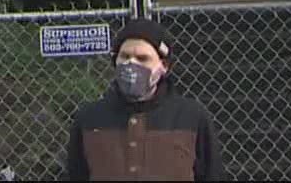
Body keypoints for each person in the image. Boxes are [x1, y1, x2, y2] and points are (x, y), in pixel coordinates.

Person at [64, 18, 225, 181]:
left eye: (143, 59)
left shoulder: (192, 117)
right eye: (125, 56)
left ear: (164, 66)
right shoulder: (89, 118)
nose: (131, 63)